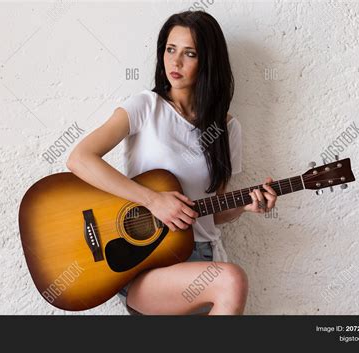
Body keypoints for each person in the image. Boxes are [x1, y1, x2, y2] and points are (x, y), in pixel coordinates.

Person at [66, 11, 277, 315]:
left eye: (189, 53)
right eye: (170, 49)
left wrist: (245, 205)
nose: (175, 63)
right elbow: (80, 158)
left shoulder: (227, 129)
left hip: (202, 260)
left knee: (226, 279)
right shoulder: (145, 107)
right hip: (143, 263)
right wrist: (152, 200)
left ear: (208, 62)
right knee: (232, 280)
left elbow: (213, 211)